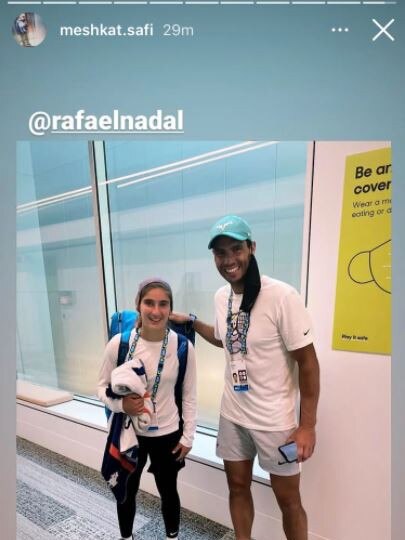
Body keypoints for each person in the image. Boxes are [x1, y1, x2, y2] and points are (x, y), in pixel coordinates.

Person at [170, 215, 320, 540]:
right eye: (220, 253)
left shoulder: (282, 296)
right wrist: (193, 321)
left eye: (236, 249)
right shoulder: (222, 297)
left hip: (275, 422)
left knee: (289, 501)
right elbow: (227, 339)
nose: (228, 260)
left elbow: (308, 364)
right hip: (233, 414)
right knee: (237, 487)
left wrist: (307, 425)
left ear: (251, 248)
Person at [98, 278, 197, 540]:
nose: (156, 311)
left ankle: (172, 537)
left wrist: (188, 436)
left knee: (169, 491)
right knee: (127, 490)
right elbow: (100, 387)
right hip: (131, 433)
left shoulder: (183, 346)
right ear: (139, 305)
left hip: (168, 435)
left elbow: (189, 396)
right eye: (149, 303)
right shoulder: (119, 344)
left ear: (170, 308)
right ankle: (126, 537)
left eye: (163, 304)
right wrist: (121, 404)